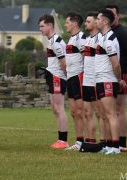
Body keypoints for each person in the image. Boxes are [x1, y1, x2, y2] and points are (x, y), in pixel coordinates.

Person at [106, 5, 127, 152]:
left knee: (120, 109)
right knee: (109, 109)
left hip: (123, 74)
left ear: (118, 15)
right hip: (108, 74)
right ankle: (110, 140)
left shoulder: (125, 33)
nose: (110, 17)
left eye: (112, 14)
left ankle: (122, 142)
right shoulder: (104, 33)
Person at [95, 9, 126, 155]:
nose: (96, 21)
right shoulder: (102, 37)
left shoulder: (109, 40)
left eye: (98, 19)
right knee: (105, 114)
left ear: (105, 21)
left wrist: (118, 80)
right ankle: (108, 145)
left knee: (111, 114)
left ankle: (115, 147)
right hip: (100, 78)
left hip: (107, 79)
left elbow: (116, 64)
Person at [38, 14, 68, 149]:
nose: (40, 29)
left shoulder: (56, 41)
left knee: (59, 108)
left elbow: (64, 63)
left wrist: (65, 77)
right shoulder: (51, 41)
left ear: (50, 25)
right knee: (55, 109)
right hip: (53, 76)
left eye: (42, 26)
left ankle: (63, 140)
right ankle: (60, 139)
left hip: (58, 78)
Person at [64, 12, 86, 151]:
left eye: (67, 22)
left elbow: (87, 58)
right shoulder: (71, 39)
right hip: (70, 78)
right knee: (73, 111)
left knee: (82, 111)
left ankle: (87, 141)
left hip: (79, 77)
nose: (65, 24)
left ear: (75, 23)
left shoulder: (82, 38)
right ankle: (78, 142)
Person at [82, 12, 101, 147]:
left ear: (96, 23)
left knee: (100, 113)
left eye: (88, 21)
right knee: (87, 112)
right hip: (86, 80)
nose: (86, 24)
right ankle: (90, 140)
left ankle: (104, 141)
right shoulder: (88, 39)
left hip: (95, 80)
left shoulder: (100, 39)